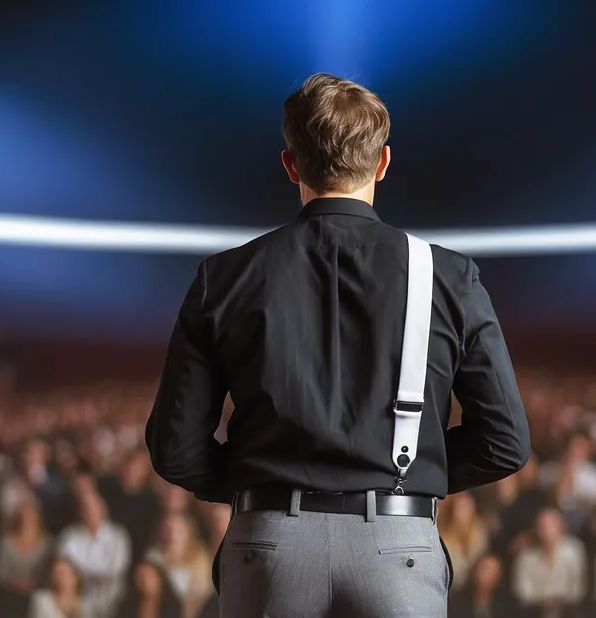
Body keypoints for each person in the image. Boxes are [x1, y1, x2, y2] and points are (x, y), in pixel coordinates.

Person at [145, 72, 530, 618]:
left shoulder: (225, 277)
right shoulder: (448, 276)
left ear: (291, 165)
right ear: (382, 163)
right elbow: (505, 442)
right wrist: (413, 474)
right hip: (398, 550)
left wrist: (262, 484)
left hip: (269, 546)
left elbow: (175, 449)